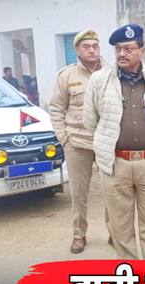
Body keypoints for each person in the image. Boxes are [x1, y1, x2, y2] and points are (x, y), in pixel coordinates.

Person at [83, 23, 145, 259]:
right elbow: (90, 121)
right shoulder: (99, 80)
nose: (122, 54)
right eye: (118, 49)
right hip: (116, 165)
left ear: (142, 50)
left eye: (128, 49)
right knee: (121, 229)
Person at [49, 29, 107, 254]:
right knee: (79, 194)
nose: (92, 50)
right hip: (77, 144)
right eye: (86, 46)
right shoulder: (67, 76)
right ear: (77, 50)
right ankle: (79, 235)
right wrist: (64, 139)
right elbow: (56, 108)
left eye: (95, 46)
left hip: (106, 143)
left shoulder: (111, 73)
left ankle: (115, 233)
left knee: (112, 191)